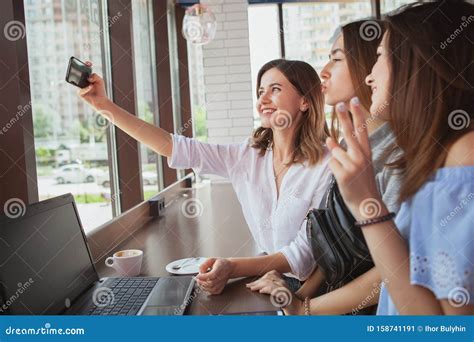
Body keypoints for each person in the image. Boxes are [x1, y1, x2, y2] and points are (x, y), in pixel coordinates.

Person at [78, 59, 332, 294]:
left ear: (305, 101)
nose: (262, 98)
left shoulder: (326, 165)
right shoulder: (248, 156)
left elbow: (307, 252)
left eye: (275, 89)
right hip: (269, 277)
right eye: (260, 91)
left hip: (315, 290)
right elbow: (175, 147)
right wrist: (104, 106)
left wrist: (233, 266)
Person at [324, 1, 473, 315]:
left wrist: (367, 205)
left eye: (379, 56)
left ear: (416, 63)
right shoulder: (441, 154)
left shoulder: (462, 162)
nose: (369, 76)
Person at [247, 19, 403, 314]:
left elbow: (393, 271)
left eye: (336, 59)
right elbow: (337, 241)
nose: (324, 71)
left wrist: (305, 309)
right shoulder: (346, 146)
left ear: (371, 65)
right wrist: (299, 298)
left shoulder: (395, 153)